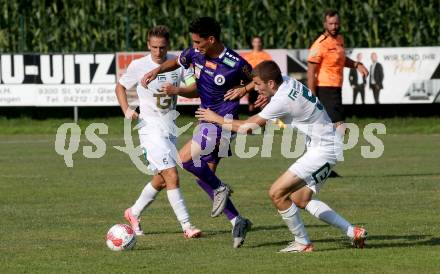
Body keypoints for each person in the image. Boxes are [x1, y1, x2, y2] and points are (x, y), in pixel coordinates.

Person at [195, 61, 367, 253]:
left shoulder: (282, 100)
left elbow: (247, 128)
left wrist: (215, 118)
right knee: (300, 199)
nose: (256, 89)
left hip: (323, 151)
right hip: (326, 146)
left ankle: (302, 242)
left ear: (270, 83)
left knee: (277, 193)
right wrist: (249, 88)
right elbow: (263, 85)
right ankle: (353, 231)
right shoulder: (284, 81)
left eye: (259, 85)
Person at [141, 17, 264, 248]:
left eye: (199, 42)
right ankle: (238, 220)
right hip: (206, 120)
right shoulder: (196, 54)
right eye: (193, 42)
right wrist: (157, 70)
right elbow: (177, 62)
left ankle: (221, 188)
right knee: (205, 177)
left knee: (185, 160)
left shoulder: (234, 62)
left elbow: (258, 78)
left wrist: (244, 88)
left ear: (212, 39)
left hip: (223, 122)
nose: (195, 46)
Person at [115, 25, 201, 239]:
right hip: (149, 128)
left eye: (162, 48)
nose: (158, 52)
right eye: (154, 47)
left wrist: (178, 90)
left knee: (162, 179)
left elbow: (195, 88)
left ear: (168, 46)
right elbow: (120, 87)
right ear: (148, 45)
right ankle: (187, 226)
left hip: (169, 128)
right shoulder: (138, 65)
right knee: (172, 174)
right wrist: (126, 109)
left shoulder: (178, 63)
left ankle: (133, 213)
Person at [307, 9, 369, 127]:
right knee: (338, 126)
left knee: (334, 128)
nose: (334, 27)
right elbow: (310, 72)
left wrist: (356, 65)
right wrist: (313, 98)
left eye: (336, 23)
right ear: (325, 24)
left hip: (336, 89)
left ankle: (325, 144)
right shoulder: (320, 44)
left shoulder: (339, 39)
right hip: (325, 90)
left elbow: (342, 59)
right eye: (330, 24)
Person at [242, 36, 272, 114]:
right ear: (252, 43)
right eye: (255, 42)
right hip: (251, 82)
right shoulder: (247, 56)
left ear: (261, 43)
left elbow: (269, 68)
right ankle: (251, 121)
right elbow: (244, 70)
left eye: (259, 42)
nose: (257, 44)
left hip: (262, 82)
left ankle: (264, 120)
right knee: (251, 104)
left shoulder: (266, 56)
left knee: (263, 103)